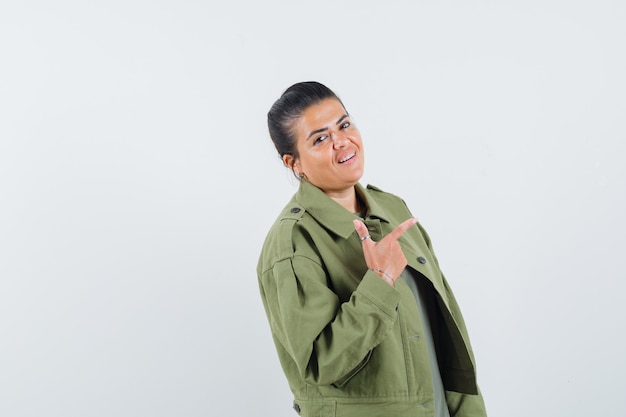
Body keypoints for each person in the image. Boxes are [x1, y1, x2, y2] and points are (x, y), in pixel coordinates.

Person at [257, 81, 487, 417]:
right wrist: (379, 281)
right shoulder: (293, 243)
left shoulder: (393, 210)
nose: (342, 142)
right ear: (295, 163)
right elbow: (322, 365)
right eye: (320, 139)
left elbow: (448, 335)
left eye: (344, 124)